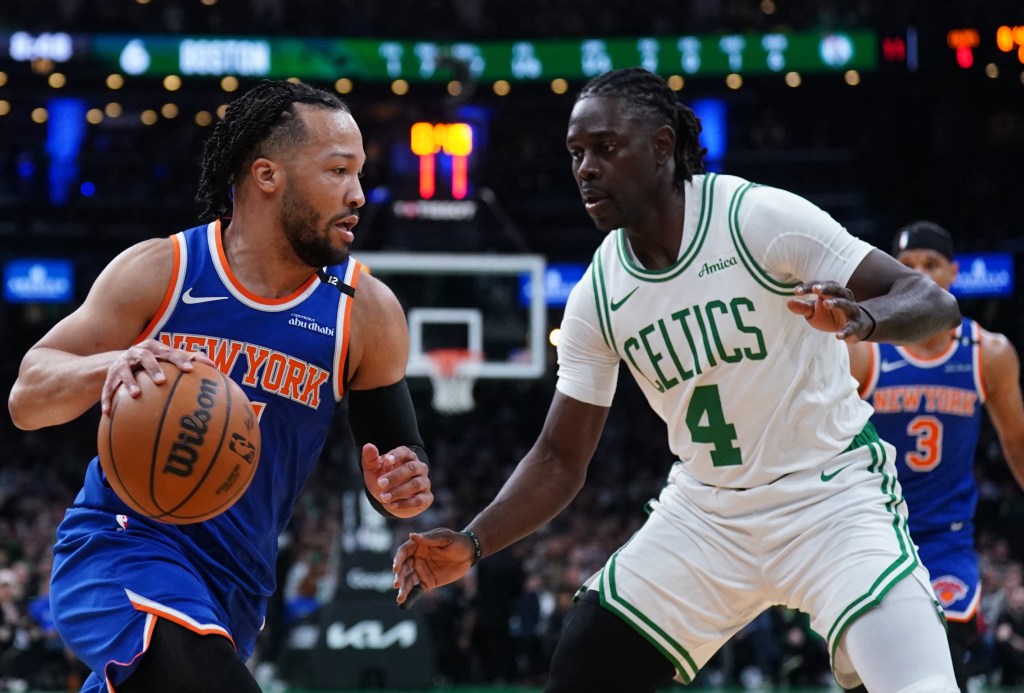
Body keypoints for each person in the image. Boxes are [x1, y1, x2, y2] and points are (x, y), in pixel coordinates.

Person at [393, 66, 963, 693]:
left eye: (606, 148)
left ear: (662, 147)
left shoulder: (756, 217)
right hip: (708, 514)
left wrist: (862, 318)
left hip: (829, 499)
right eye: (576, 153)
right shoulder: (599, 294)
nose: (585, 168)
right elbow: (559, 457)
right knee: (582, 671)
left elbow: (929, 300)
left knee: (921, 686)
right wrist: (474, 541)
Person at [7, 79, 434, 693]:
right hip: (121, 547)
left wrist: (402, 489)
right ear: (267, 175)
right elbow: (26, 396)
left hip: (235, 583)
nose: (359, 194)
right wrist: (112, 365)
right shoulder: (163, 271)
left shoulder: (364, 311)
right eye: (338, 170)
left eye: (360, 173)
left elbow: (401, 461)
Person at [847, 220, 1024, 691]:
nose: (920, 273)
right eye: (906, 266)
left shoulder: (989, 353)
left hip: (946, 537)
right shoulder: (865, 352)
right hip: (878, 530)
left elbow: (1017, 443)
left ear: (953, 273)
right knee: (873, 666)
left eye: (931, 264)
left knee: (942, 642)